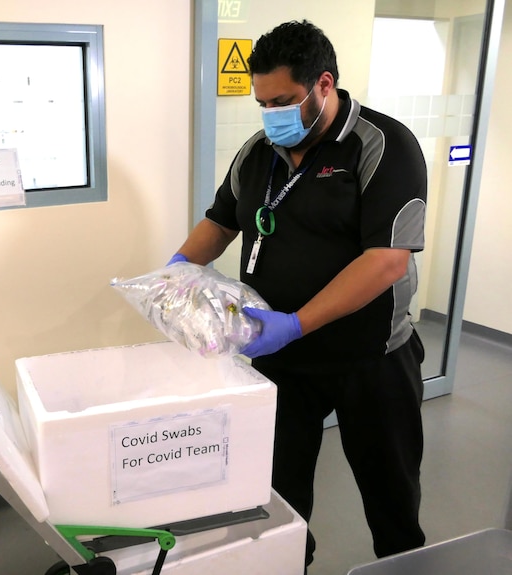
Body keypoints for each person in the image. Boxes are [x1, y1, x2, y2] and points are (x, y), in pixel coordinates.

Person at [169, 21, 427, 567]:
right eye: (262, 103)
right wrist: (173, 272)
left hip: (370, 361)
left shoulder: (382, 145)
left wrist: (296, 321)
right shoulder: (257, 152)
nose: (271, 116)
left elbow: (385, 261)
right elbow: (220, 222)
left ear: (324, 85)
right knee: (279, 497)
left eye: (283, 101)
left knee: (391, 498)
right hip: (282, 361)